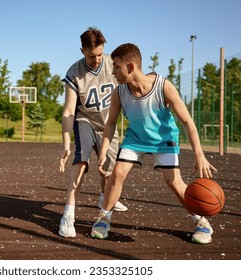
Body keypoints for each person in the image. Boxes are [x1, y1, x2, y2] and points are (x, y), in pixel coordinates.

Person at [90, 43, 218, 244]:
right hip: (136, 138)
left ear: (130, 67)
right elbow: (111, 123)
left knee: (174, 182)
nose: (112, 71)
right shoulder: (119, 92)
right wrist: (104, 150)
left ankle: (201, 221)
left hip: (164, 140)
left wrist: (199, 155)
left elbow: (187, 121)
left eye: (116, 66)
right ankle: (103, 218)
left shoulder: (163, 86)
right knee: (118, 172)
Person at [58, 28, 128, 238]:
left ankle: (103, 196)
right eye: (91, 56)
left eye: (100, 54)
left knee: (109, 170)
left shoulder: (113, 64)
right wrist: (66, 143)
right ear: (82, 51)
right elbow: (70, 110)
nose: (97, 60)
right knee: (81, 161)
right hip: (85, 120)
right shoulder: (74, 72)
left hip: (108, 124)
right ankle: (68, 215)